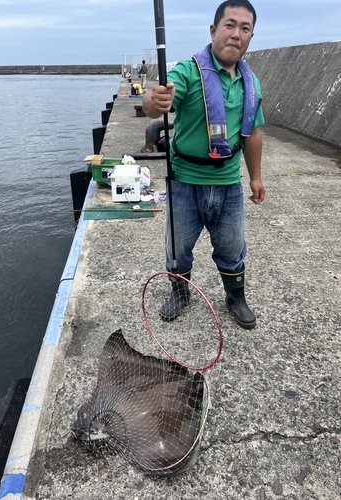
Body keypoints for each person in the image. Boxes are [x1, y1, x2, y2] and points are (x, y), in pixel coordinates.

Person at [142, 0, 265, 329]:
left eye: (245, 28)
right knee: (178, 247)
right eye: (229, 25)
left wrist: (256, 178)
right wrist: (155, 100)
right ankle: (180, 292)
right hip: (183, 183)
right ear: (213, 30)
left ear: (251, 37)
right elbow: (155, 105)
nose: (236, 34)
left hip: (228, 185)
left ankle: (235, 295)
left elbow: (252, 134)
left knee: (232, 246)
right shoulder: (187, 71)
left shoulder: (250, 84)